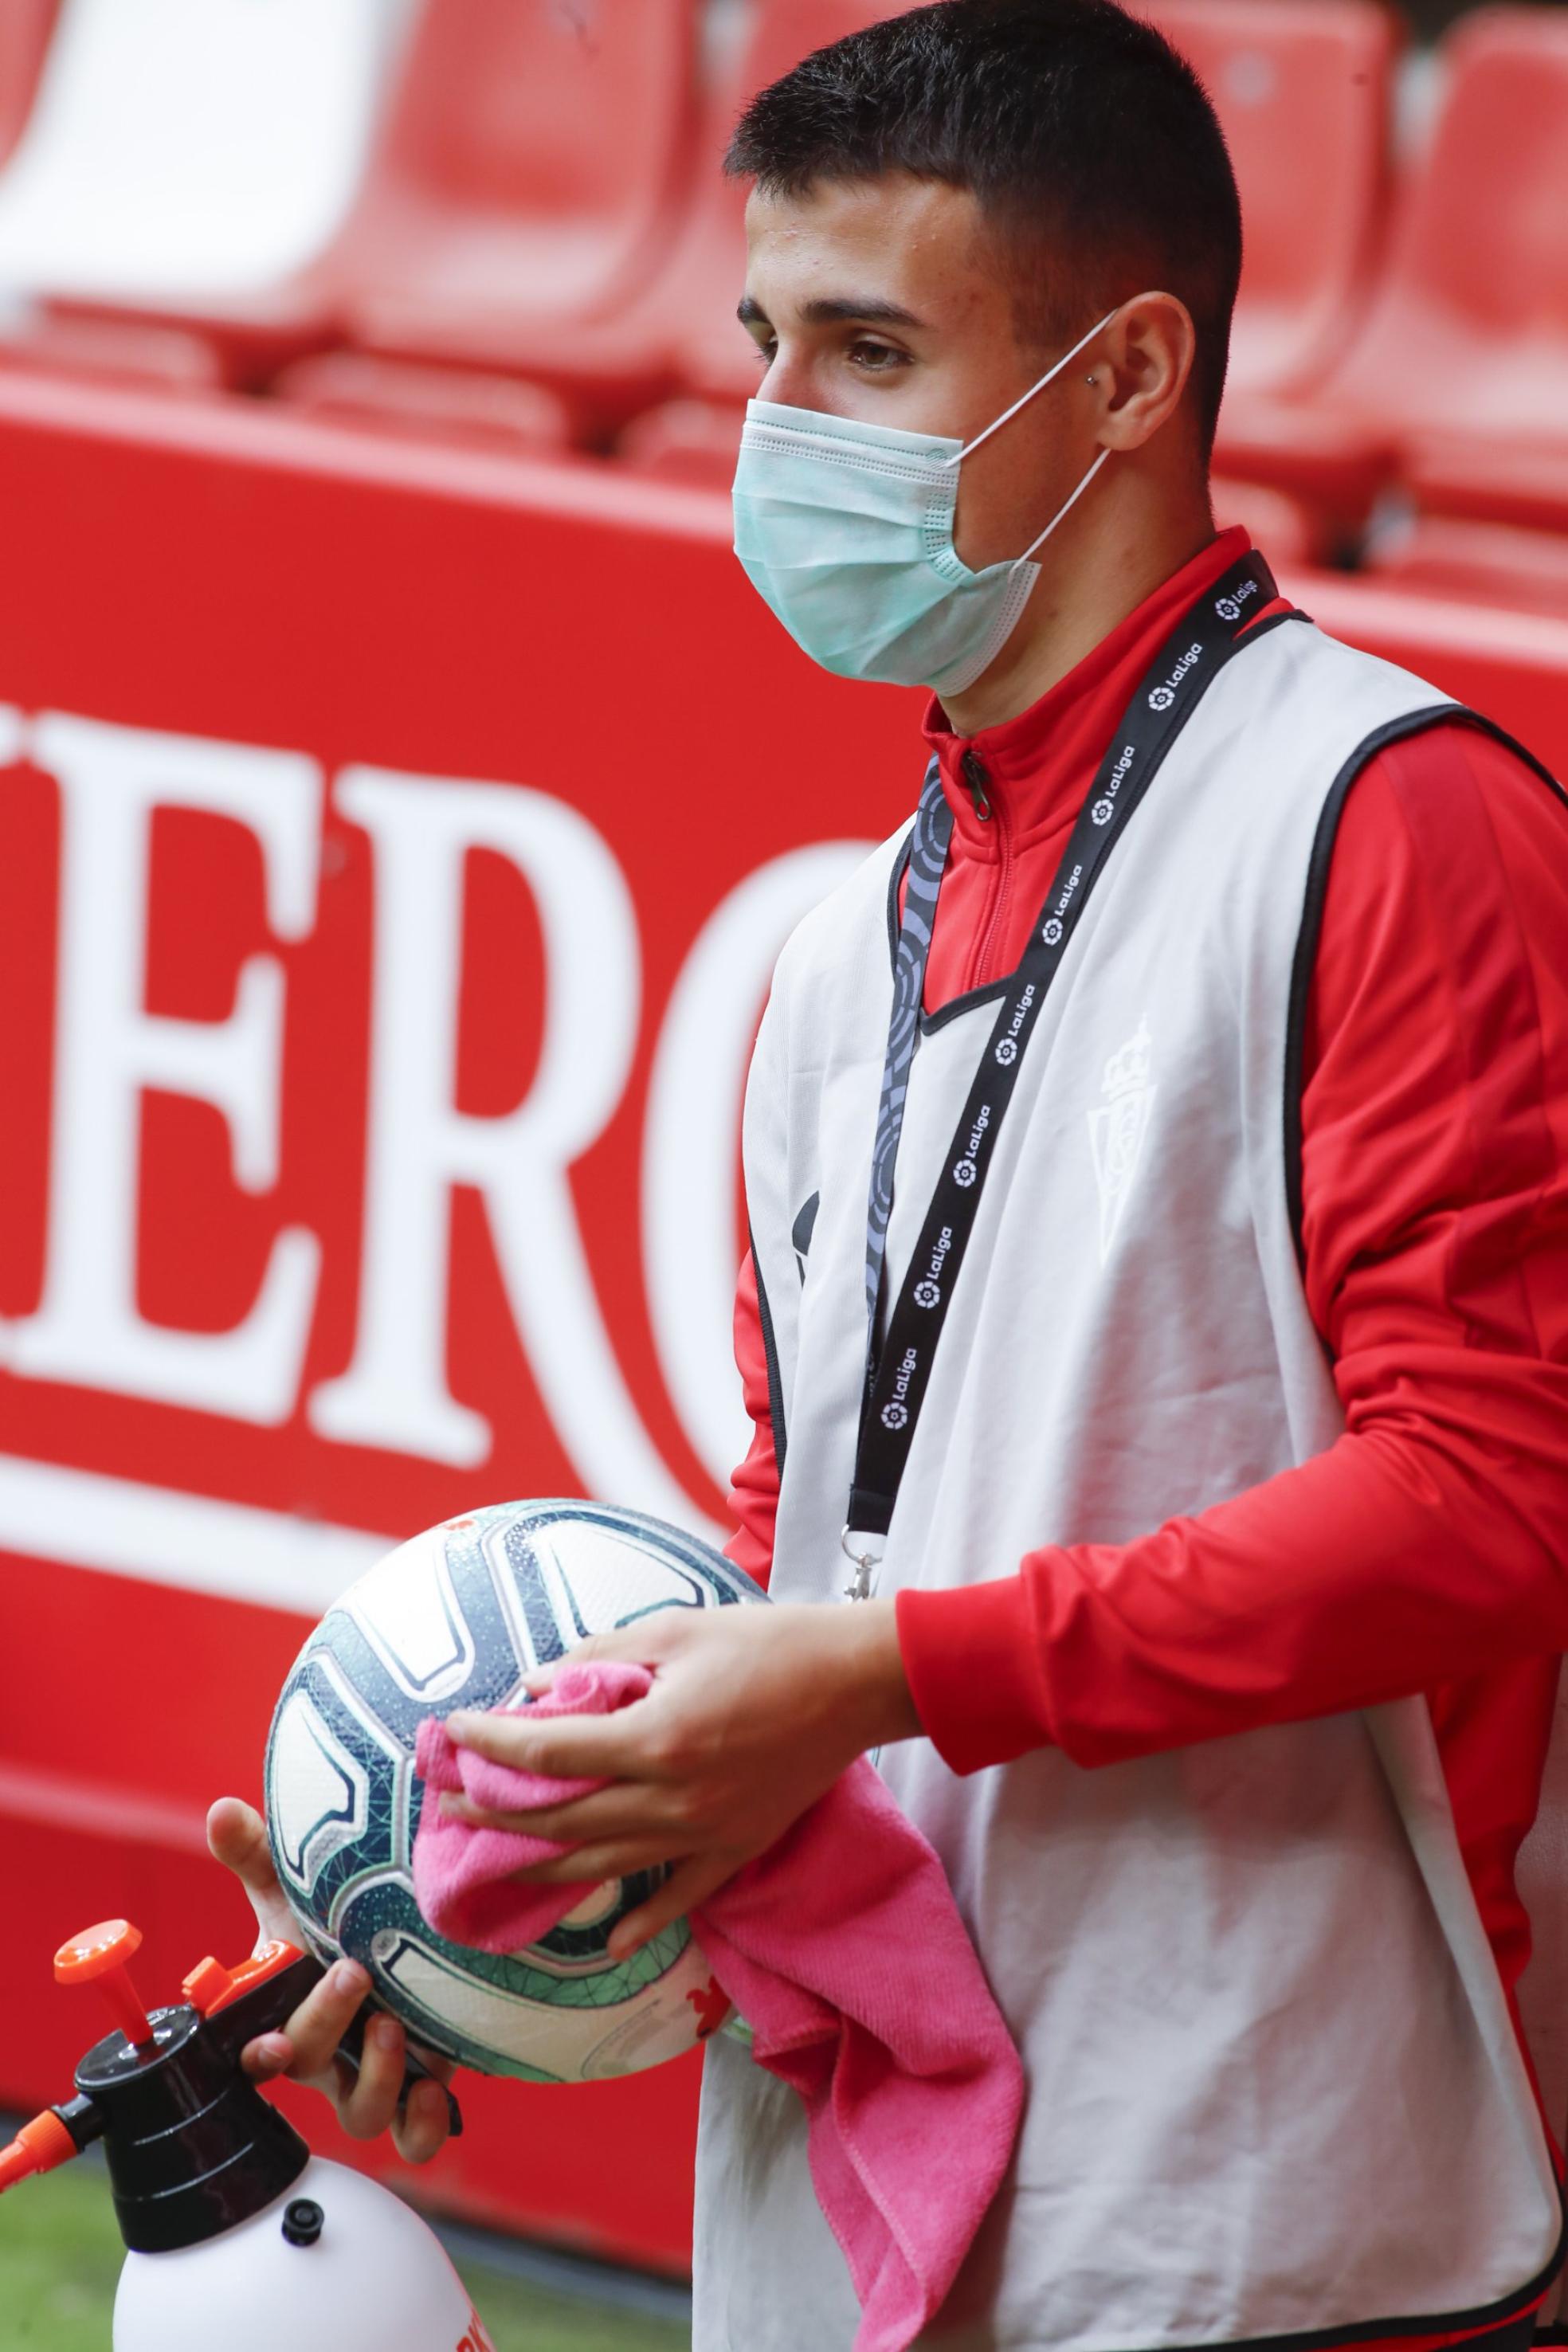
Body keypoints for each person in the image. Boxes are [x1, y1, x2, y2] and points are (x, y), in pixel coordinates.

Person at [213, 2, 1568, 2344]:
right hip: (861, 2233)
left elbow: (1490, 1499)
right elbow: (795, 1557)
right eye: (762, 346)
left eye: (866, 350)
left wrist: (873, 1671)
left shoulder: (1399, 815)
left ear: (1133, 376)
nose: (777, 432)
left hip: (1291, 2210)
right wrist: (483, 1893)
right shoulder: (842, 948)